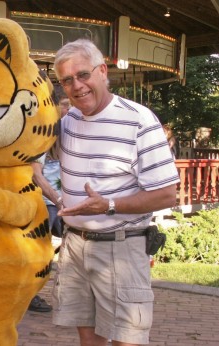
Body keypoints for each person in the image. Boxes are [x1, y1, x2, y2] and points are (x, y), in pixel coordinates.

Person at [52, 39, 180, 346]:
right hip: (75, 247)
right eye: (67, 80)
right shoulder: (67, 122)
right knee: (88, 340)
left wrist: (107, 205)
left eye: (83, 75)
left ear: (102, 71)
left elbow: (166, 195)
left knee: (128, 340)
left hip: (121, 249)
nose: (77, 86)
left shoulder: (138, 119)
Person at [27, 97, 70, 313]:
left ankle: (66, 295)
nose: (68, 109)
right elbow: (36, 174)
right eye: (65, 104)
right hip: (47, 203)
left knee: (69, 248)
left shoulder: (71, 138)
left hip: (65, 203)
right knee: (39, 252)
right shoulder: (43, 138)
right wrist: (57, 199)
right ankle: (30, 294)